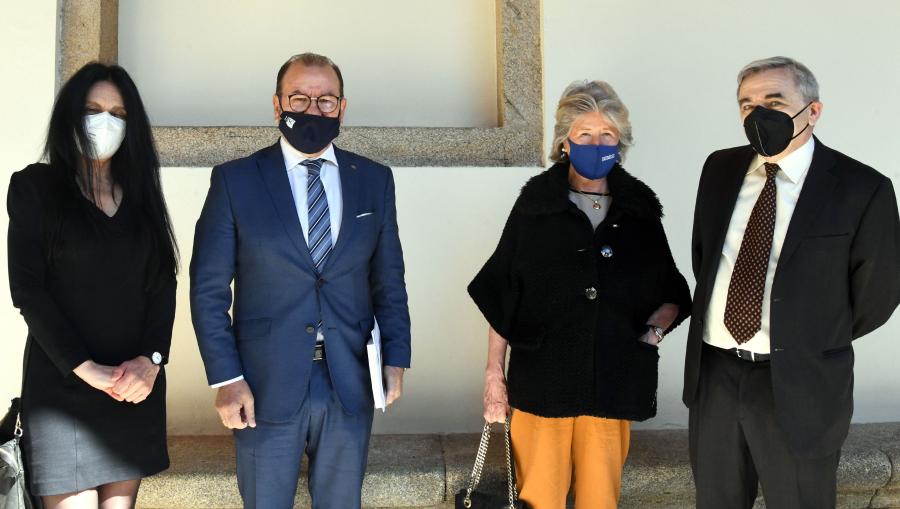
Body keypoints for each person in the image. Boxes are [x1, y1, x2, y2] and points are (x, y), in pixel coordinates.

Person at [190, 52, 411, 509]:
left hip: (348, 380)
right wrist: (226, 378)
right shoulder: (235, 181)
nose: (313, 110)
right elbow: (208, 290)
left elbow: (388, 279)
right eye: (300, 98)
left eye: (326, 100)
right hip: (262, 385)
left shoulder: (374, 180)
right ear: (277, 105)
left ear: (342, 108)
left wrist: (397, 356)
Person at [684, 56, 900, 509]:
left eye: (774, 100)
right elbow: (705, 259)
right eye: (747, 104)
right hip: (716, 377)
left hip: (802, 385)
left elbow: (876, 295)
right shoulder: (719, 170)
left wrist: (804, 335)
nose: (757, 113)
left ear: (813, 111)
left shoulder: (863, 189)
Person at [468, 80, 692, 509]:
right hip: (542, 382)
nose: (596, 144)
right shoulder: (536, 206)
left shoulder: (640, 211)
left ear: (620, 143)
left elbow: (672, 293)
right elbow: (502, 293)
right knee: (539, 498)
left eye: (606, 135)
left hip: (613, 379)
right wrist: (494, 376)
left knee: (600, 499)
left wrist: (651, 335)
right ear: (564, 142)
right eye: (585, 134)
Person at [7, 62, 178, 509]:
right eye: (93, 109)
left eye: (119, 113)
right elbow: (28, 291)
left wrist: (152, 361)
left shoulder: (141, 195)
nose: (106, 122)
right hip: (63, 394)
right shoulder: (34, 187)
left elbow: (163, 285)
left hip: (130, 389)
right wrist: (87, 369)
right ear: (69, 115)